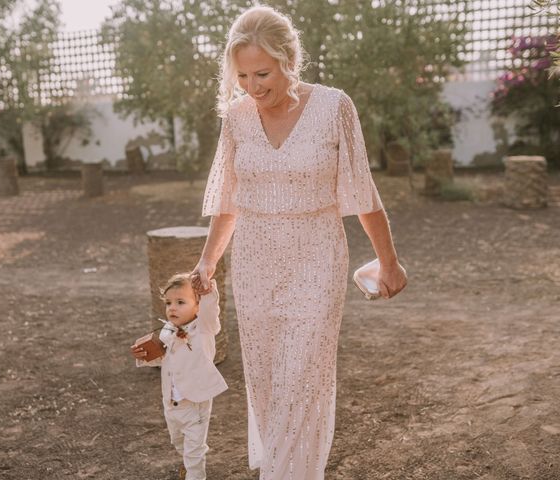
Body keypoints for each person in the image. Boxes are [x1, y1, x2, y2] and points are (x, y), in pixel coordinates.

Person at [190, 5, 408, 480]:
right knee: (268, 380)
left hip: (316, 259)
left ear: (289, 58)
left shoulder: (334, 107)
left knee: (300, 379)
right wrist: (208, 263)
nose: (252, 86)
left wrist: (389, 263)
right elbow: (230, 200)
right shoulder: (238, 119)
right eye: (242, 75)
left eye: (262, 73)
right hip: (254, 264)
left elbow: (362, 192)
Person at [131, 273, 228, 480]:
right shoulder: (167, 330)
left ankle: (195, 475)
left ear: (198, 305)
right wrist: (145, 356)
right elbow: (166, 358)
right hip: (171, 401)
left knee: (194, 449)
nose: (172, 308)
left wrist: (207, 287)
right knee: (178, 441)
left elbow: (211, 308)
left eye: (181, 302)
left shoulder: (204, 327)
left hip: (195, 402)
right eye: (168, 303)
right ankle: (188, 465)